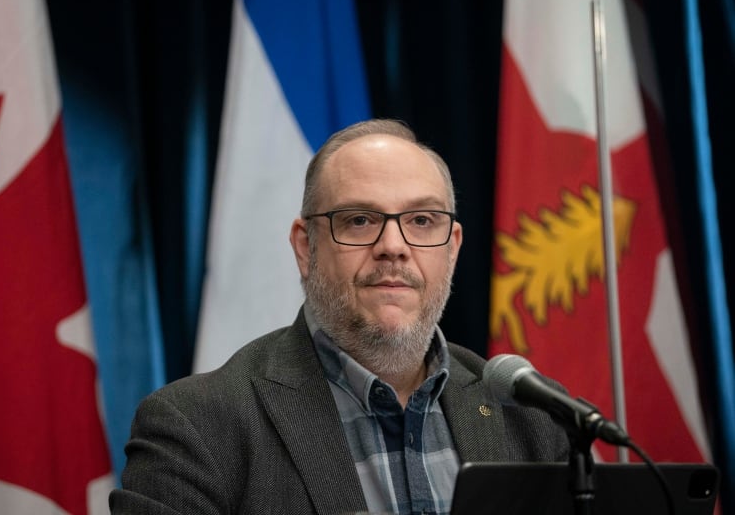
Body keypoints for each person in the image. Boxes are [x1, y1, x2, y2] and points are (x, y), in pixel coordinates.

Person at [109, 119, 568, 514]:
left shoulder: (534, 416)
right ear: (306, 246)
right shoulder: (196, 426)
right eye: (360, 220)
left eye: (422, 221)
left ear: (452, 248)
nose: (394, 246)